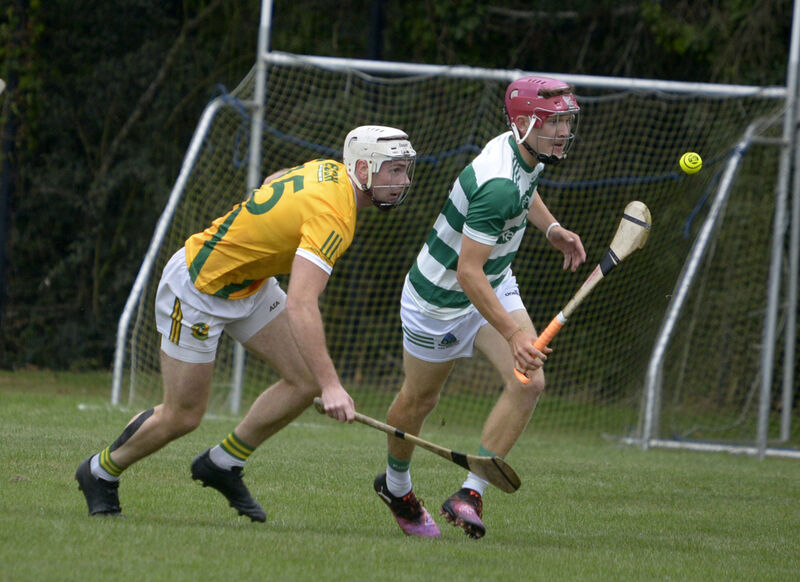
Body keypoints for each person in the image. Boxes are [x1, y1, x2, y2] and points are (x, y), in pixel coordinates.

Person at [76, 125, 417, 520]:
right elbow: (302, 305)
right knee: (183, 415)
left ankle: (222, 463)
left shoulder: (329, 170)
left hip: (250, 287)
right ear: (362, 169)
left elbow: (273, 181)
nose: (403, 180)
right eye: (393, 170)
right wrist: (333, 386)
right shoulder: (335, 216)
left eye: (405, 170)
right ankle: (100, 471)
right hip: (199, 288)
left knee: (302, 380)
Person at [373, 77, 587, 539]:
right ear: (526, 123)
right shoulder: (495, 185)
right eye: (557, 123)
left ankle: (469, 493)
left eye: (567, 121)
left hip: (494, 280)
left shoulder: (527, 150)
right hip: (441, 300)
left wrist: (551, 229)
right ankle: (395, 486)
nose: (564, 132)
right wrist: (512, 335)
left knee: (528, 382)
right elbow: (468, 272)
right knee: (419, 400)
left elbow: (525, 193)